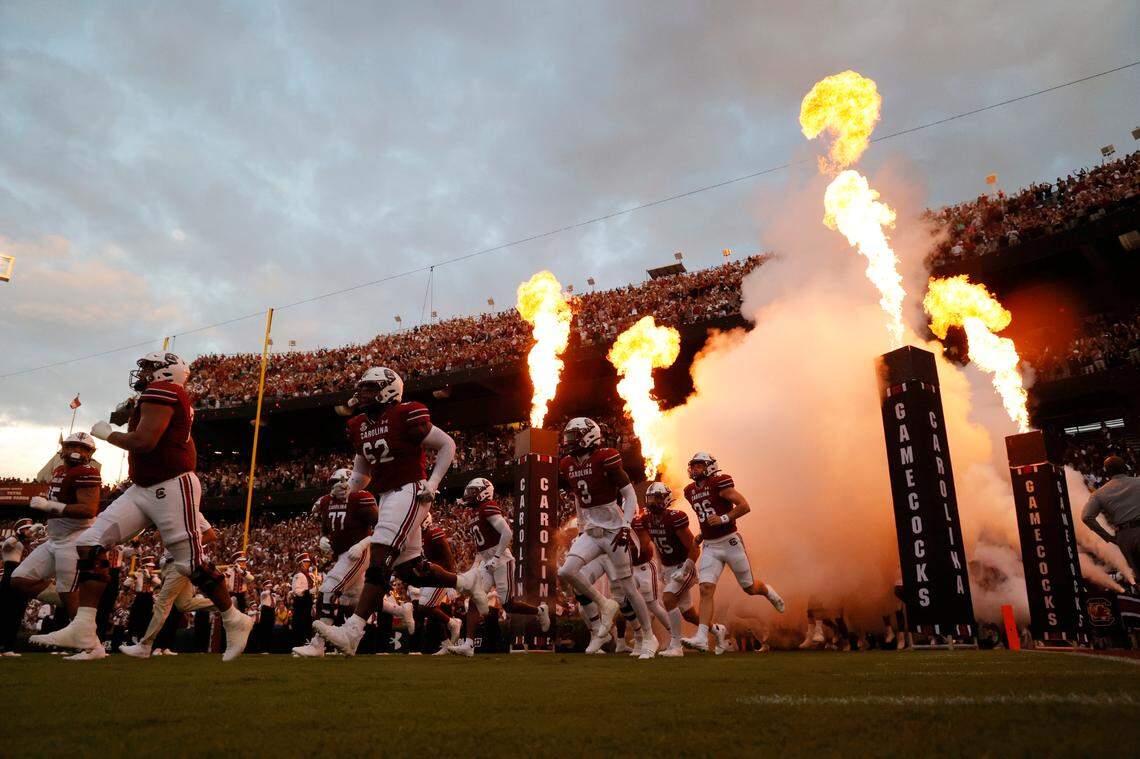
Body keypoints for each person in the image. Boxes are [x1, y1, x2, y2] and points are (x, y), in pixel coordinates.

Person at [31, 352, 253, 661]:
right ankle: (84, 626)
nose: (143, 373)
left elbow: (144, 441)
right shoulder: (165, 394)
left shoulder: (163, 391)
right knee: (89, 542)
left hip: (172, 484)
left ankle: (234, 619)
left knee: (191, 563)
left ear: (165, 372)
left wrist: (109, 434)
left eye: (149, 367)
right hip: (144, 486)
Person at [315, 367, 485, 656]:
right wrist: (344, 489)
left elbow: (447, 444)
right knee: (412, 571)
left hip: (410, 490)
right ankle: (467, 581)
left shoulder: (406, 413)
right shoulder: (360, 425)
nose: (363, 394)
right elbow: (360, 476)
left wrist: (432, 482)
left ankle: (353, 631)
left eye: (370, 388)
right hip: (387, 495)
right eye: (363, 388)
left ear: (388, 389)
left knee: (379, 558)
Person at [557, 417, 657, 659]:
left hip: (613, 530)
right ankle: (604, 603)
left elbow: (629, 494)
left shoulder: (606, 456)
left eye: (575, 435)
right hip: (591, 530)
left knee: (627, 587)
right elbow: (579, 499)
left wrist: (625, 525)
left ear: (590, 435)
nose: (570, 441)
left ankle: (648, 636)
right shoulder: (568, 463)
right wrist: (581, 527)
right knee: (566, 571)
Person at [293, 469, 415, 657]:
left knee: (328, 588)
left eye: (344, 482)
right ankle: (400, 611)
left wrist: (362, 544)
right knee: (355, 599)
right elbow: (326, 529)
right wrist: (323, 539)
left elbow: (382, 527)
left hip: (358, 553)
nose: (341, 486)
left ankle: (318, 645)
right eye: (337, 482)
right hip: (342, 554)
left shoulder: (361, 498)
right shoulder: (326, 501)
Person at [679, 452, 784, 653]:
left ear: (710, 466)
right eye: (693, 465)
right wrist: (702, 533)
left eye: (699, 465)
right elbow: (707, 515)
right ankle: (701, 636)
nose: (694, 469)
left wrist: (724, 518)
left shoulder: (720, 482)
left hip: (730, 541)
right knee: (705, 589)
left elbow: (744, 506)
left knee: (749, 587)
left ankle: (768, 591)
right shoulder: (690, 490)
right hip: (710, 545)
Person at [452, 478, 550, 656]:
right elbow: (482, 547)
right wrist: (477, 565)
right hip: (487, 560)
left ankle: (539, 610)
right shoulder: (474, 512)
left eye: (473, 491)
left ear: (484, 492)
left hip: (502, 559)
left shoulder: (488, 506)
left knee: (508, 605)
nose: (469, 494)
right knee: (475, 597)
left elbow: (507, 532)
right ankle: (468, 644)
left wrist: (496, 558)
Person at [120, 513, 217, 659]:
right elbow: (157, 536)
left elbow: (211, 535)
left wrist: (187, 548)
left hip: (181, 562)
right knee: (184, 604)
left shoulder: (194, 514)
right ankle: (225, 605)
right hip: (168, 563)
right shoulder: (170, 511)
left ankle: (145, 646)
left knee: (162, 603)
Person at [633, 482, 700, 657]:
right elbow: (654, 546)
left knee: (668, 599)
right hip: (670, 568)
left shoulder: (675, 517)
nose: (651, 502)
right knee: (688, 614)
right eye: (649, 498)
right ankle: (717, 631)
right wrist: (662, 569)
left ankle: (676, 646)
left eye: (656, 498)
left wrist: (686, 568)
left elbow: (694, 547)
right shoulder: (647, 520)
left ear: (665, 499)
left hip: (684, 566)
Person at [1082, 455, 1140, 580]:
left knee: (1137, 576)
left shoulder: (1100, 493)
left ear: (1107, 472)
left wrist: (1108, 537)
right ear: (1125, 467)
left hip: (1124, 537)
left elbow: (1086, 517)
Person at [0, 519, 40, 656]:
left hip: (23, 577)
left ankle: (8, 647)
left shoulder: (27, 545)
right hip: (11, 574)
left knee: (17, 613)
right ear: (20, 530)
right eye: (27, 529)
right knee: (5, 612)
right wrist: (25, 534)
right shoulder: (11, 541)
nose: (30, 531)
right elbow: (8, 545)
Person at [290, 553, 315, 645]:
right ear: (301, 563)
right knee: (300, 621)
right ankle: (299, 642)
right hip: (301, 601)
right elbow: (296, 591)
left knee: (308, 620)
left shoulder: (310, 575)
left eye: (308, 562)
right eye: (306, 562)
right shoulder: (298, 575)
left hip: (308, 600)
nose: (308, 564)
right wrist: (309, 591)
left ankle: (307, 640)